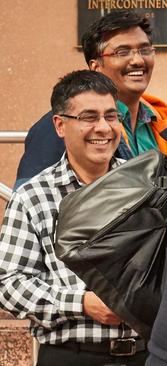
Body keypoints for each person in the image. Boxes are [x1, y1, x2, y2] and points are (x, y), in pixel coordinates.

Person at [0, 70, 147, 365]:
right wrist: (81, 303)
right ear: (60, 125)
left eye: (111, 116)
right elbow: (9, 283)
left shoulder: (145, 184)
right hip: (72, 355)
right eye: (89, 117)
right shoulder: (34, 195)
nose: (103, 128)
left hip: (147, 354)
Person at [14, 10, 167, 189]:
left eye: (144, 50)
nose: (138, 60)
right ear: (95, 66)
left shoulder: (162, 119)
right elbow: (33, 198)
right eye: (122, 52)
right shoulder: (65, 124)